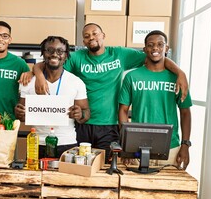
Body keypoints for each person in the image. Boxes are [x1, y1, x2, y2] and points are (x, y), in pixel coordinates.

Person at [27, 23, 189, 162]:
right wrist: (38, 74)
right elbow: (52, 60)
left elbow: (154, 55)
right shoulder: (78, 57)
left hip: (109, 125)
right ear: (83, 41)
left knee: (106, 168)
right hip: (82, 124)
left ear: (103, 35)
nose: (91, 37)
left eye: (95, 33)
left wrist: (180, 73)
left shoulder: (120, 54)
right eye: (87, 35)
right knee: (81, 166)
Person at [118, 30, 192, 170]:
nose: (155, 48)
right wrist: (126, 145)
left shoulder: (177, 79)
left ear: (166, 48)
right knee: (135, 191)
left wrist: (185, 144)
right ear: (145, 49)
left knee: (168, 190)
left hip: (171, 149)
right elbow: (123, 110)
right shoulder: (132, 77)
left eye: (160, 44)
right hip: (137, 147)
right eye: (151, 45)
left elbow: (185, 112)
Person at [15, 36, 90, 158]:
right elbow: (20, 115)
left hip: (66, 143)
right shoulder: (28, 82)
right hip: (37, 142)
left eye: (60, 51)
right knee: (35, 177)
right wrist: (19, 112)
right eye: (49, 50)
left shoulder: (76, 82)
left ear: (66, 56)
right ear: (43, 54)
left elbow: (86, 113)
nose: (55, 54)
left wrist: (80, 114)